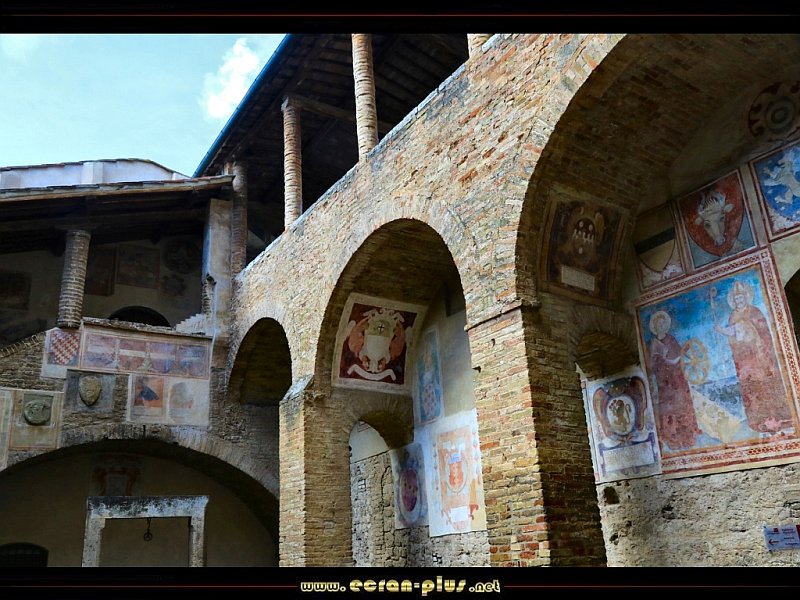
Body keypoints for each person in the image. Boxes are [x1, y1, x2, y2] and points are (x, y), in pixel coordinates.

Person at [714, 280, 793, 433]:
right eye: (736, 298)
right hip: (745, 361)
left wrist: (751, 335)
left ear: (746, 297)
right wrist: (724, 332)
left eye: (741, 297)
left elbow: (763, 332)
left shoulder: (754, 311)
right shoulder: (733, 315)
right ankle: (758, 419)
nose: (739, 300)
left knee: (766, 384)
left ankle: (776, 416)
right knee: (752, 388)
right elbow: (734, 336)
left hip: (760, 357)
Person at [648, 310, 702, 450]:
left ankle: (687, 434)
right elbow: (651, 364)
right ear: (655, 326)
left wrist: (689, 356)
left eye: (663, 323)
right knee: (669, 408)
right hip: (665, 382)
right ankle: (672, 437)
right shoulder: (654, 343)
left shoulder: (671, 339)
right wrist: (661, 359)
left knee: (682, 403)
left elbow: (680, 354)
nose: (661, 326)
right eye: (658, 324)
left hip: (677, 378)